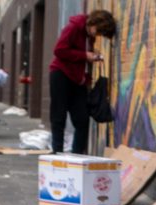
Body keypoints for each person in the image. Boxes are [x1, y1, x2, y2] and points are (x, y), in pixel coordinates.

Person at [49, 10, 116, 154]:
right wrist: (85, 55)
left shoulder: (89, 36)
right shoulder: (74, 27)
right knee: (58, 116)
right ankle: (57, 153)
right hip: (61, 74)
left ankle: (76, 155)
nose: (97, 35)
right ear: (93, 23)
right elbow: (59, 50)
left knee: (82, 119)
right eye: (98, 31)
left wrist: (89, 69)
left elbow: (82, 59)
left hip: (78, 80)